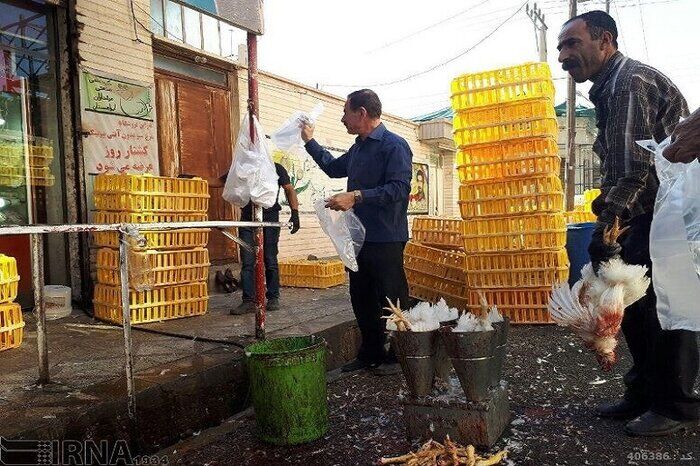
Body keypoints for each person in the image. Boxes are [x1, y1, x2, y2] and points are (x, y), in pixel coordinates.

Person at [558, 10, 699, 437]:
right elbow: (624, 167)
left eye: (572, 44)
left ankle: (676, 405)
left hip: (666, 216)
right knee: (633, 308)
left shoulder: (628, 83)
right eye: (561, 48)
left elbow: (634, 169)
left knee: (666, 310)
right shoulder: (609, 88)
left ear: (605, 41)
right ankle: (643, 392)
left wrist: (608, 223)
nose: (563, 56)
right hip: (647, 212)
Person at [301, 89, 412, 376]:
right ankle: (371, 353)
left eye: (346, 112)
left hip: (386, 237)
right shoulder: (358, 149)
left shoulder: (394, 146)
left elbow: (399, 190)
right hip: (358, 239)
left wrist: (357, 196)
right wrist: (309, 141)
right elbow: (332, 167)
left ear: (362, 113)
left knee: (392, 299)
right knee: (361, 296)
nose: (342, 119)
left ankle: (403, 356)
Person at [209, 163, 300, 314]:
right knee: (248, 261)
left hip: (270, 217)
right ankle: (248, 301)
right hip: (247, 218)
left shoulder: (276, 168)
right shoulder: (242, 167)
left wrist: (295, 213)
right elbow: (220, 182)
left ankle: (273, 297)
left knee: (270, 259)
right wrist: (195, 179)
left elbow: (289, 189)